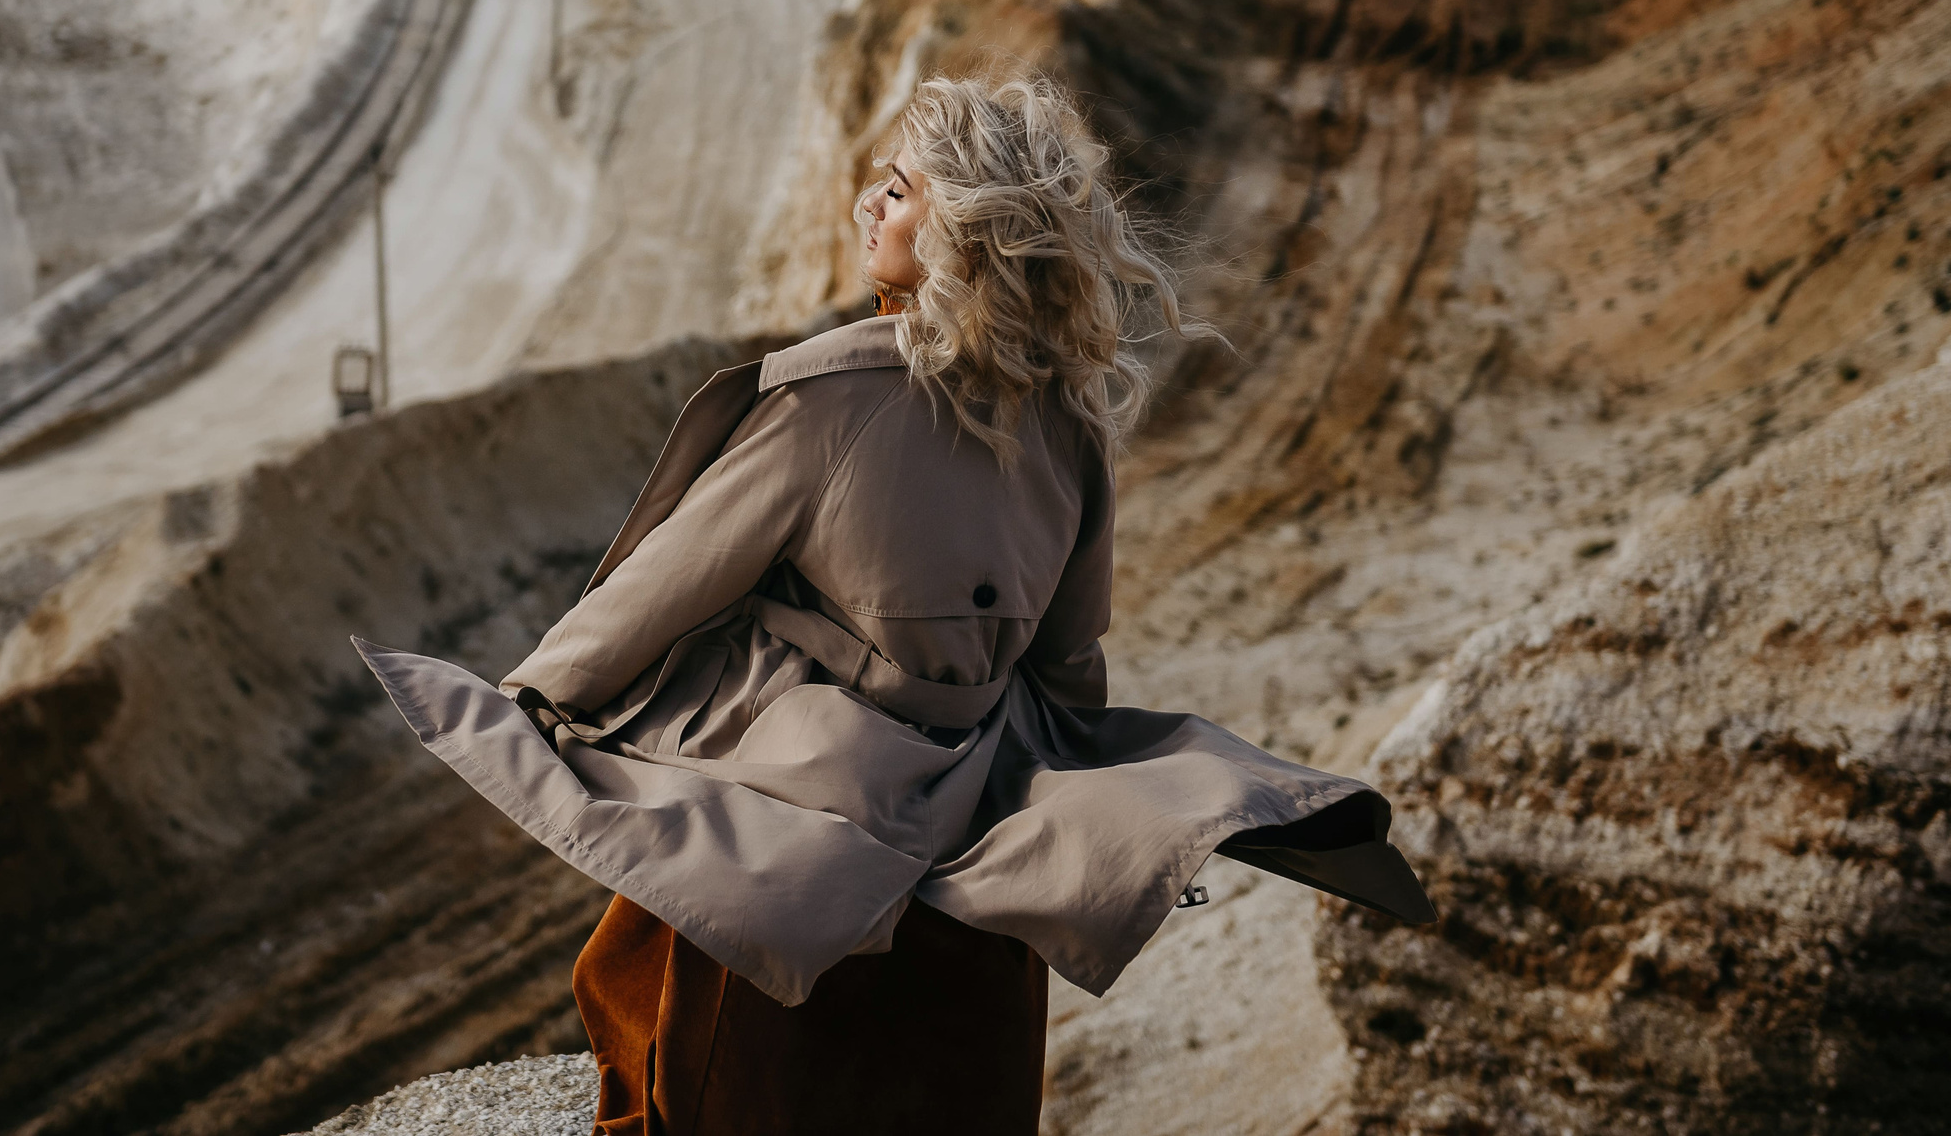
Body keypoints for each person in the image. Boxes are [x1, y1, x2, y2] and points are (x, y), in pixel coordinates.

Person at [357, 74, 1432, 1135]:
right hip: (977, 831)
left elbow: (666, 584)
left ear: (964, 231)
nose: (869, 203)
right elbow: (1067, 661)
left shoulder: (831, 399)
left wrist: (536, 698)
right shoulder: (1068, 427)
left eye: (900, 189)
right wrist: (1072, 806)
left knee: (694, 1055)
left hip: (803, 814)